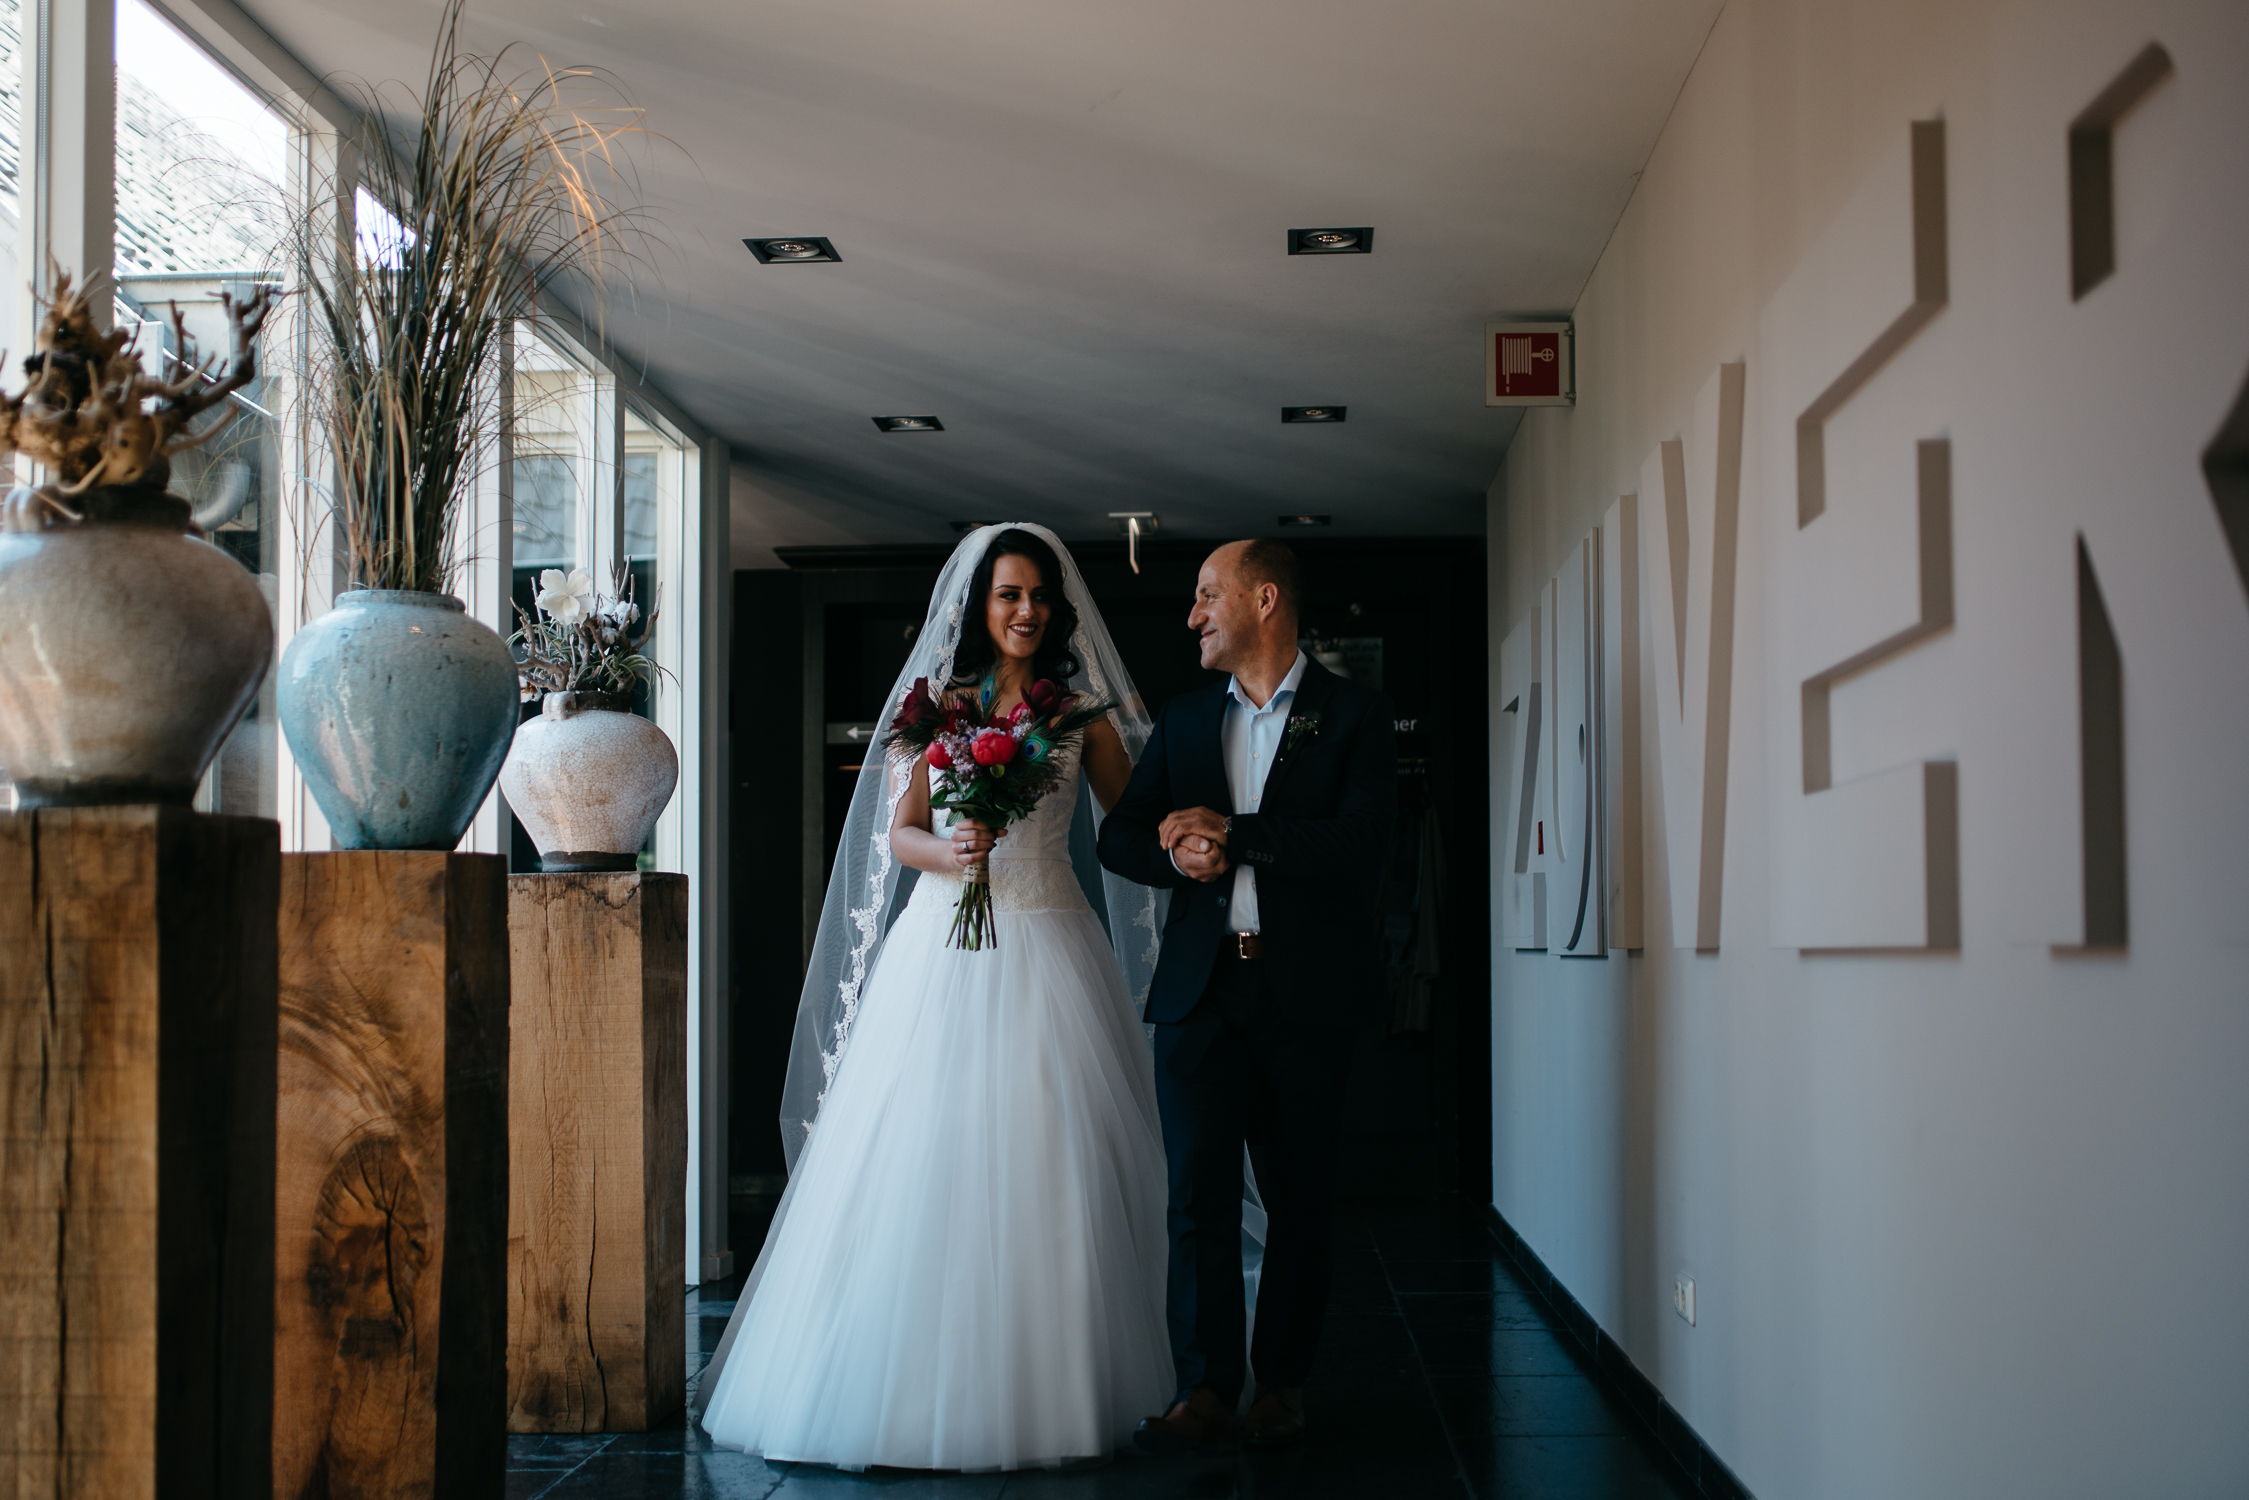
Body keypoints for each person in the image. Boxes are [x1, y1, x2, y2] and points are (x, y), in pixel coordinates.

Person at [697, 524, 1175, 1470]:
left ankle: (1053, 1383)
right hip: (942, 944)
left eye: (1037, 595)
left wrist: (1184, 829)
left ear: (1057, 606)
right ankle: (892, 1384)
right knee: (918, 1148)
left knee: (1047, 1151)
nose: (1026, 610)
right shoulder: (941, 708)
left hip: (1049, 936)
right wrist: (952, 851)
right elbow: (899, 835)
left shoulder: (1080, 712)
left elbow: (1128, 829)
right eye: (1008, 594)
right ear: (980, 607)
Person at [1097, 538, 1398, 1450]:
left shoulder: (1354, 716)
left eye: (1204, 596)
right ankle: (1206, 1389)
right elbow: (1119, 840)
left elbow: (1360, 846)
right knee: (1195, 1199)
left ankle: (1284, 1387)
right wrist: (1180, 854)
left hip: (1306, 995)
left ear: (1264, 600)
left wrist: (1238, 835)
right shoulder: (1186, 720)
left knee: (1301, 1198)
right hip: (1198, 995)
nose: (1191, 615)